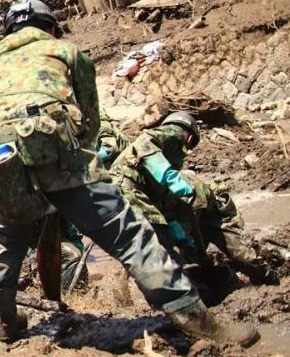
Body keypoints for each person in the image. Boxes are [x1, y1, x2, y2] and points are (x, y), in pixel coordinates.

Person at [0, 0, 257, 346]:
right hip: (59, 159)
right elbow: (90, 120)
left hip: (2, 166)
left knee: (7, 237)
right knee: (130, 236)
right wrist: (73, 172)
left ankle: (6, 322)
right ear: (51, 28)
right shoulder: (66, 53)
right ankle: (200, 323)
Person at [110, 111, 277, 285]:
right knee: (160, 248)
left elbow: (164, 208)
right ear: (189, 138)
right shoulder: (175, 133)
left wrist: (180, 236)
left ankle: (163, 290)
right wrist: (169, 176)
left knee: (146, 244)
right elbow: (145, 142)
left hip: (117, 192)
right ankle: (176, 295)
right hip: (128, 188)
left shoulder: (154, 178)